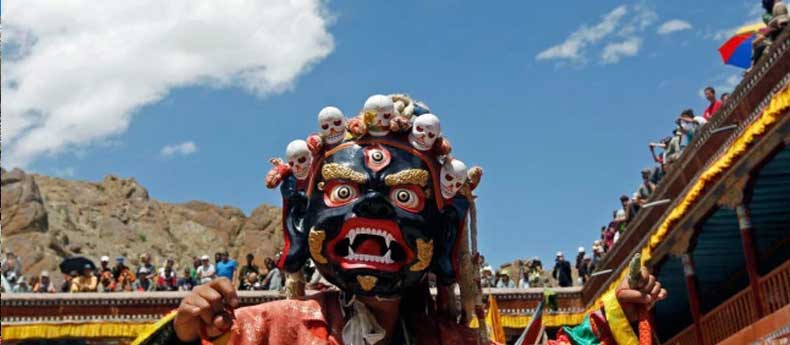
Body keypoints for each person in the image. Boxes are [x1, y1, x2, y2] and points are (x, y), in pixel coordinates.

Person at [135, 95, 668, 345]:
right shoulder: (263, 333)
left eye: (405, 200)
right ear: (303, 223)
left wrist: (612, 315)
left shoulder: (450, 343)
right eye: (343, 192)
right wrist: (182, 336)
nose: (370, 210)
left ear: (443, 232)